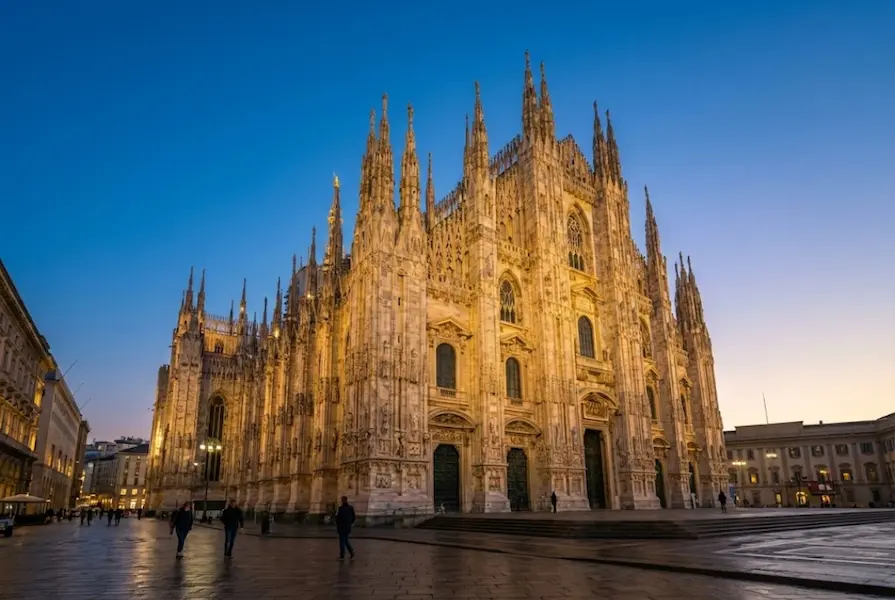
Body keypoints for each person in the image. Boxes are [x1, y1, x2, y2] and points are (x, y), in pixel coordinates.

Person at [335, 496, 356, 560]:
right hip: (347, 527)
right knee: (345, 540)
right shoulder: (350, 508)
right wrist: (350, 523)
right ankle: (351, 552)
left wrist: (338, 524)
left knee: (342, 541)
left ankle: (342, 556)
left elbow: (337, 518)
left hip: (341, 527)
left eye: (342, 500)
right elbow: (353, 517)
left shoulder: (340, 508)